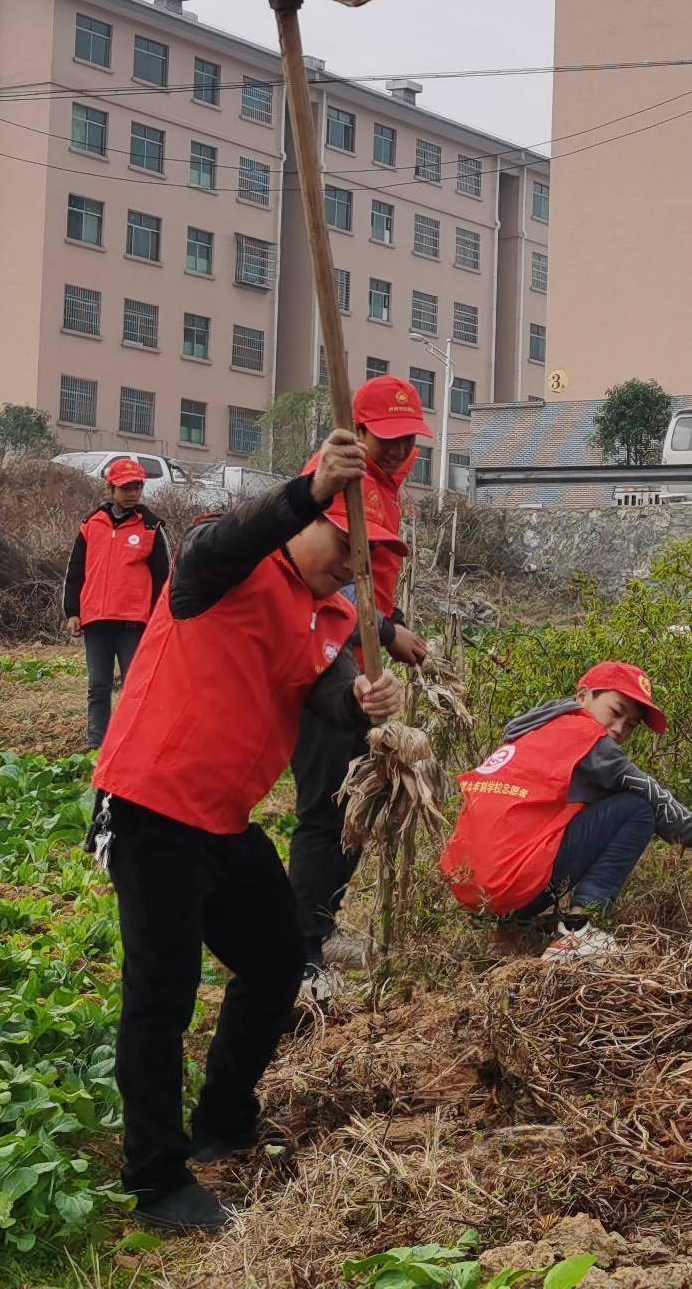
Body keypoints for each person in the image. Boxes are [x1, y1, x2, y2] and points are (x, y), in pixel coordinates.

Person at [89, 428, 405, 1237]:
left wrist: (361, 705)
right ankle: (157, 1181)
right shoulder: (222, 568)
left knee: (274, 962)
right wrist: (307, 492)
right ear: (310, 514)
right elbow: (222, 541)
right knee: (161, 997)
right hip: (152, 805)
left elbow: (321, 694)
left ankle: (224, 1117)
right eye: (343, 541)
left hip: (223, 821)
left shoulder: (320, 612)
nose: (350, 563)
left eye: (363, 557)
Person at [287, 373, 436, 989]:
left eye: (410, 439)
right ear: (362, 430)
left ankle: (321, 926)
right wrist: (390, 631)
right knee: (327, 808)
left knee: (356, 802)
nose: (401, 451)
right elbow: (328, 572)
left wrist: (390, 627)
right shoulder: (341, 479)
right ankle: (301, 956)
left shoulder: (383, 483)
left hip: (357, 646)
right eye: (389, 439)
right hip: (328, 652)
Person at [439, 661, 692, 960]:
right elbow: (654, 795)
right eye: (616, 711)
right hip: (511, 882)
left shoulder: (532, 734)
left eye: (631, 724)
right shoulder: (585, 735)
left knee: (565, 814)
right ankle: (577, 931)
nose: (620, 728)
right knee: (638, 809)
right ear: (583, 697)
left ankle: (507, 932)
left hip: (471, 889)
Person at [65, 459, 172, 750]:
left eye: (137, 486)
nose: (132, 492)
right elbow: (76, 571)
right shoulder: (91, 524)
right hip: (96, 620)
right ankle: (96, 743)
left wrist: (159, 619)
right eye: (126, 487)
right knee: (97, 686)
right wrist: (72, 612)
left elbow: (165, 578)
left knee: (135, 685)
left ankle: (134, 742)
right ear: (111, 488)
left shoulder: (152, 527)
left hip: (134, 622)